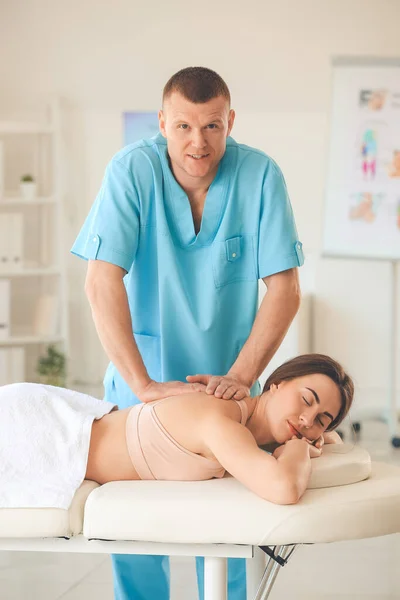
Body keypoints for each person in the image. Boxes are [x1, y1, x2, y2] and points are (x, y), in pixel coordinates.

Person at [71, 66, 305, 600]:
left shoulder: (259, 176)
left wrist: (242, 377)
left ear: (230, 122)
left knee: (227, 539)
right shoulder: (132, 170)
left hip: (227, 395)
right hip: (141, 391)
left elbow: (285, 288)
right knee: (135, 540)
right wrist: (145, 384)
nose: (198, 142)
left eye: (213, 127)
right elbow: (101, 280)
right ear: (161, 122)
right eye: (182, 127)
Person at [0, 354, 354, 512]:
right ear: (277, 384)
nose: (308, 421)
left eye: (323, 419)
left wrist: (312, 439)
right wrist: (297, 449)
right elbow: (284, 488)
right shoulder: (221, 419)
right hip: (39, 428)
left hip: (61, 425)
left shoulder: (243, 425)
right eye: (307, 400)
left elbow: (333, 442)